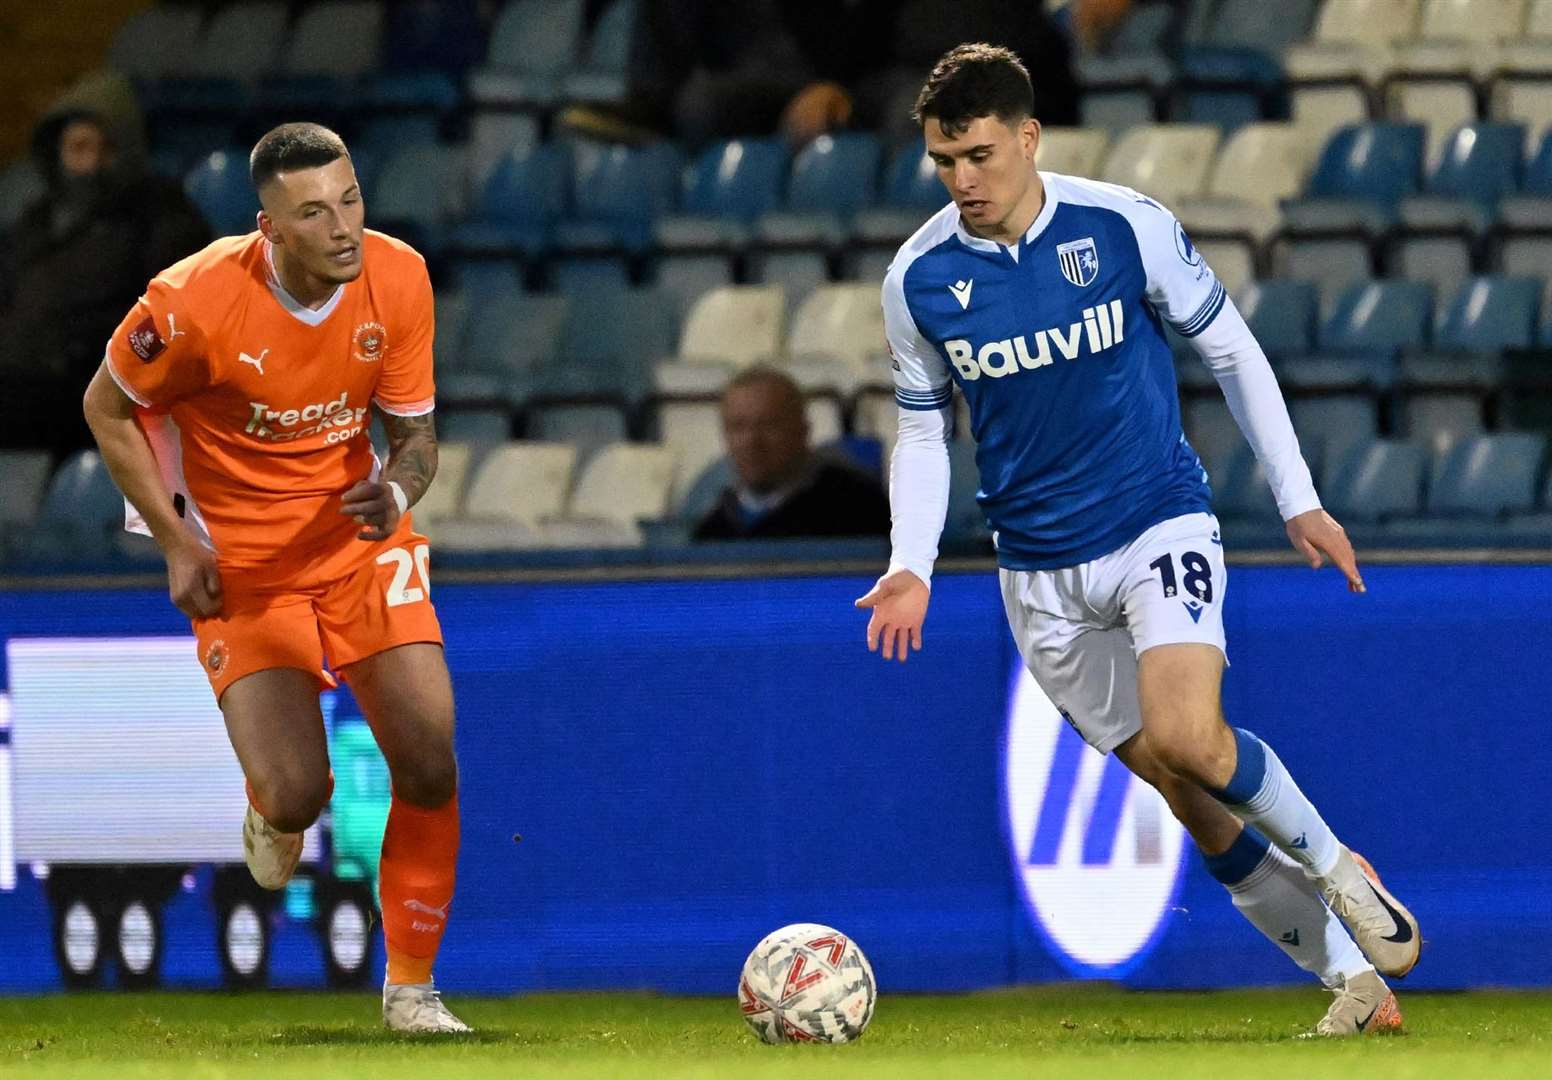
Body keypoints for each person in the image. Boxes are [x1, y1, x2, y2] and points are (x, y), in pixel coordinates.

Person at [855, 44, 1420, 1037]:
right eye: (944, 163)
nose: (963, 180)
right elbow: (918, 426)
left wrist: (1297, 497)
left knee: (1189, 737)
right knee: (1181, 788)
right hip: (1035, 574)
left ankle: (1340, 870)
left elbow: (1229, 347)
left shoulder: (1122, 226)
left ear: (1028, 138)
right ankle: (1352, 983)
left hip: (1153, 520)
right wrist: (910, 564)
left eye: (979, 155)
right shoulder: (918, 278)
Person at [81, 123, 467, 1033]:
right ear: (270, 228)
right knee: (300, 791)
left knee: (429, 756)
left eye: (351, 200)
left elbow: (414, 441)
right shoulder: (193, 302)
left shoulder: (398, 276)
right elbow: (107, 404)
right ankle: (273, 808)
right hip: (242, 569)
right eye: (313, 213)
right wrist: (178, 543)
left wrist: (396, 490)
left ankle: (411, 992)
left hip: (354, 545)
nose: (343, 228)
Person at [0, 71, 209, 458]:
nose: (91, 163)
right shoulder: (36, 221)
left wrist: (76, 348)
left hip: (93, 387)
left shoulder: (163, 216)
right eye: (78, 148)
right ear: (57, 151)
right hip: (21, 378)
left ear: (126, 150)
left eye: (105, 148)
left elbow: (167, 315)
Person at [694, 367, 891, 541]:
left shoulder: (858, 508)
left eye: (768, 425)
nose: (751, 442)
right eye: (737, 427)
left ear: (802, 431)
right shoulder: (713, 530)